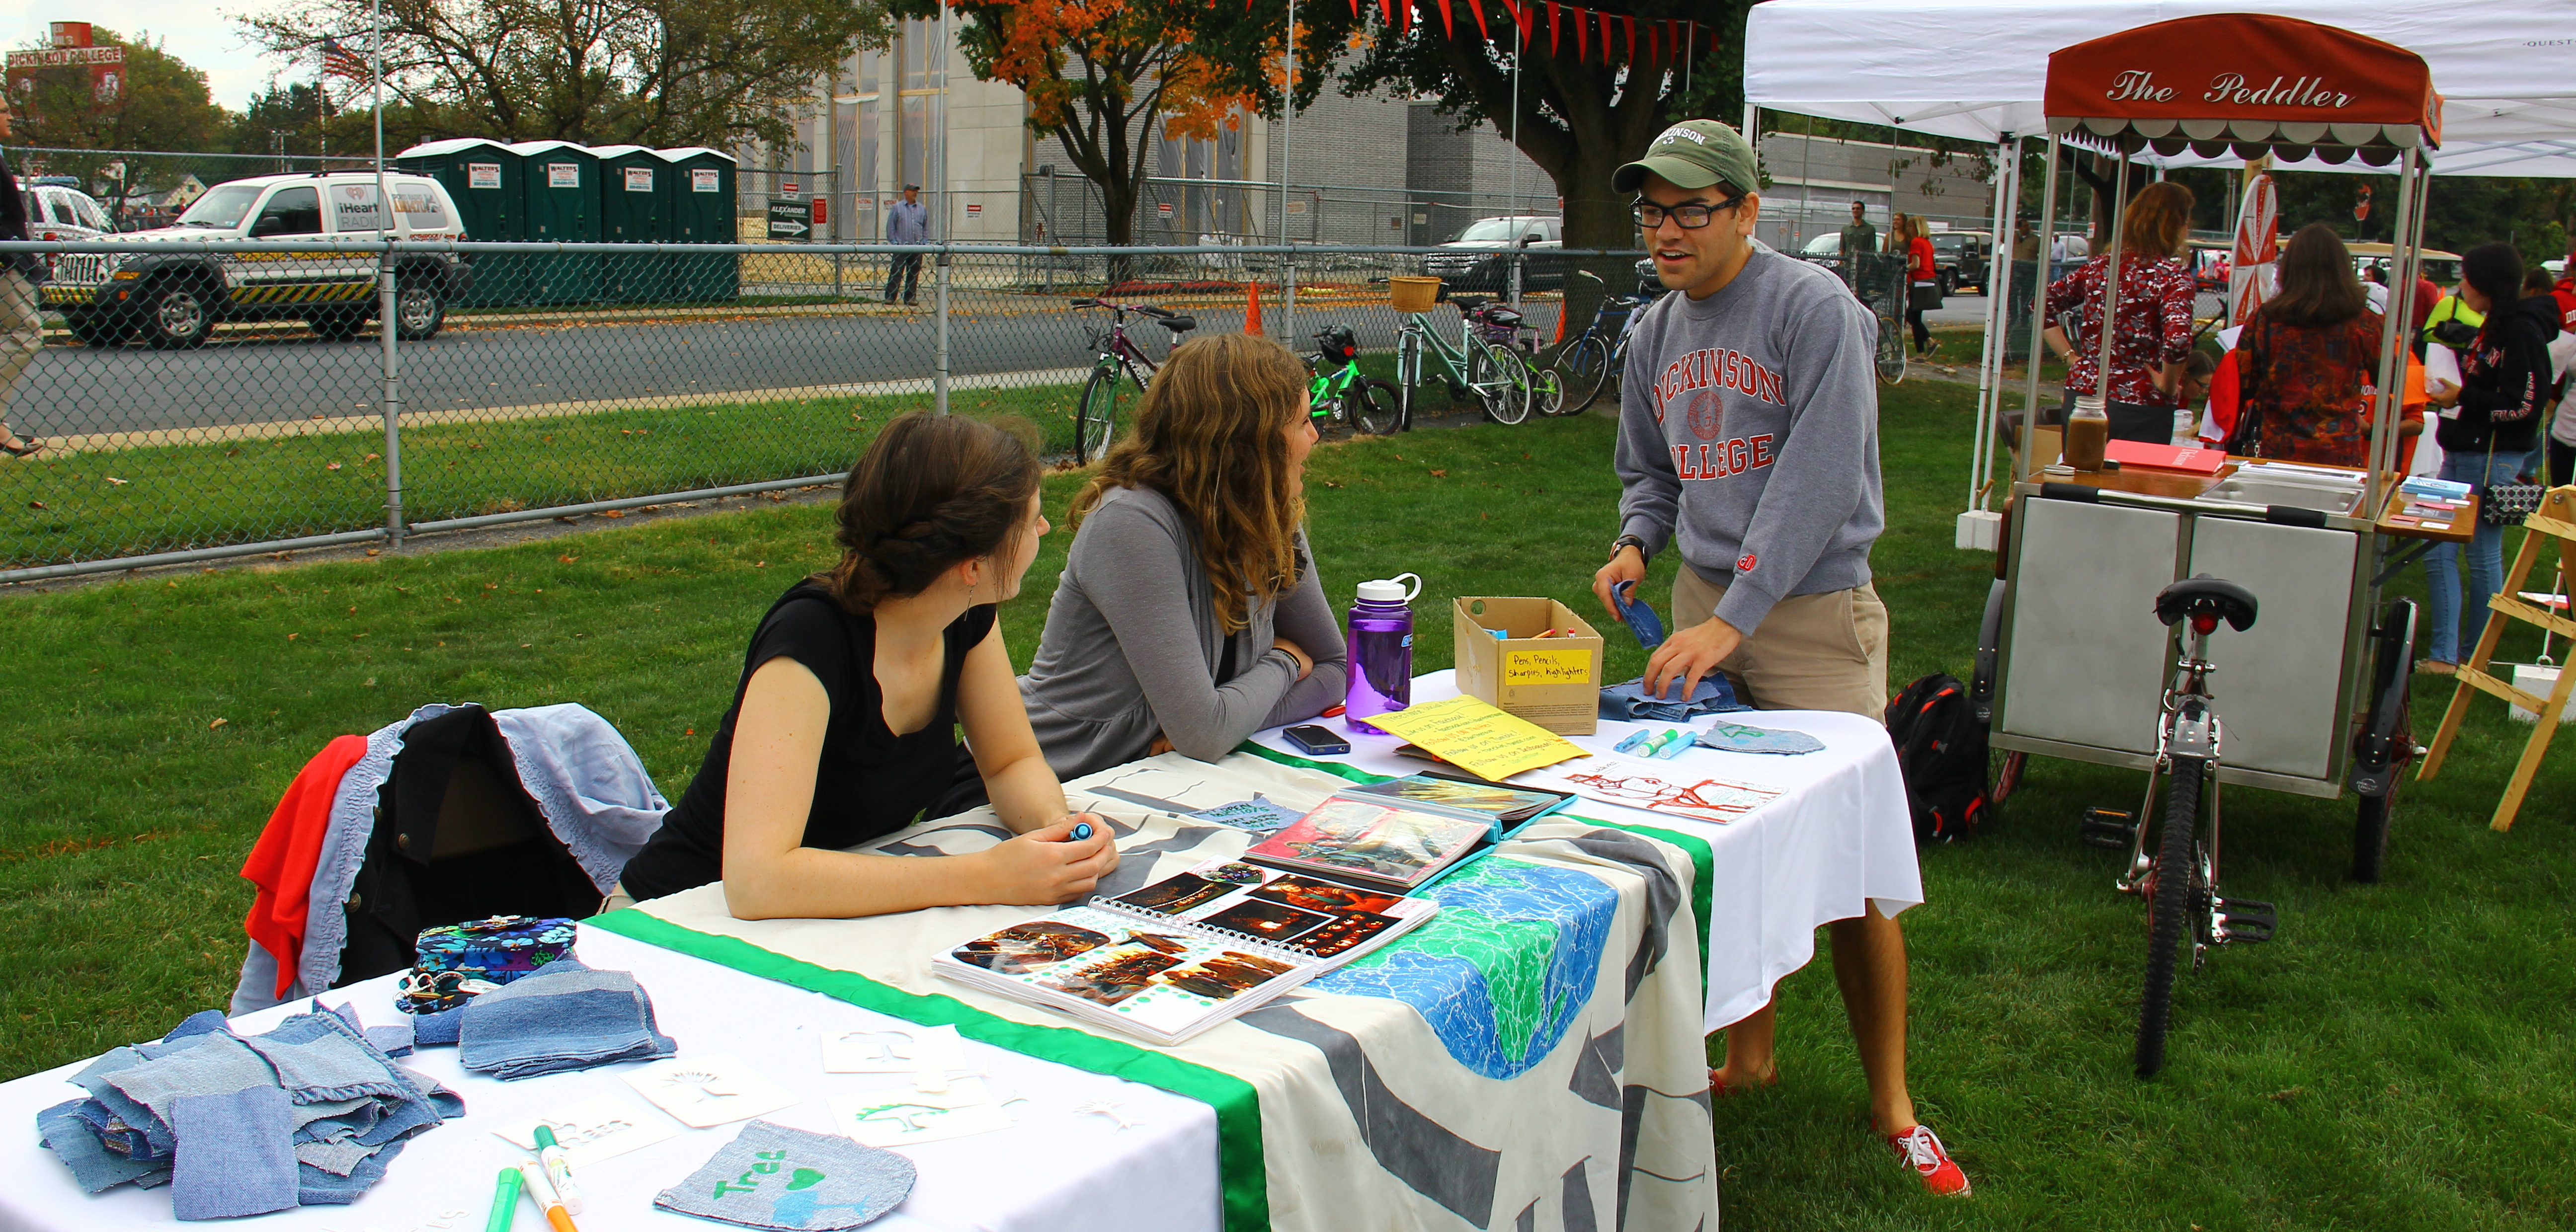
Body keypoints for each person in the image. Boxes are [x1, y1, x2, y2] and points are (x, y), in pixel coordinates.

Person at [1594, 118, 1968, 1198]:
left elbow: (1815, 480)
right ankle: (1750, 1056)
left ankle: (1893, 1101)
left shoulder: (1815, 310)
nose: (1666, 231)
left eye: (1690, 210)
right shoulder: (1653, 332)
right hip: (1707, 605)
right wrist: (1636, 543)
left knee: (1860, 878)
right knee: (1724, 838)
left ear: (1746, 212)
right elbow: (1652, 471)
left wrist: (1737, 615)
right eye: (1651, 212)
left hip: (1809, 615)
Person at [614, 412, 1117, 917]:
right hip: (672, 923)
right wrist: (987, 875)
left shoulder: (965, 614)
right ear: (972, 565)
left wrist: (1059, 835)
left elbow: (1011, 762)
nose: (1045, 528)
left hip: (815, 921)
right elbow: (757, 880)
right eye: (1032, 520)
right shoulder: (810, 640)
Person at [1014, 332, 1349, 784]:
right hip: (1041, 781)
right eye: (1302, 422)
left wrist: (1231, 723)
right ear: (1249, 441)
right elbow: (1204, 733)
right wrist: (1285, 663)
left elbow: (1336, 668)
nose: (1315, 436)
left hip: (1156, 779)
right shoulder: (1132, 523)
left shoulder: (1264, 515)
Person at [2420, 242, 2556, 673]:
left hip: (2491, 456)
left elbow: (2524, 406)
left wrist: (2467, 398)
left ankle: (2470, 656)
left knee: (2480, 555)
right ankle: (2451, 653)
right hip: (2464, 449)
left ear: (2486, 284)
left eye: (2466, 278)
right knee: (2438, 549)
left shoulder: (2521, 331)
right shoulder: (2495, 326)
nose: (2460, 287)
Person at [2042, 181, 2197, 444]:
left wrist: (2072, 358)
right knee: (2131, 483)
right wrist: (2170, 384)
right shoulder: (2172, 279)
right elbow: (2178, 340)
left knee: (2080, 478)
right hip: (2141, 401)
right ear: (2176, 226)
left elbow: (2043, 304)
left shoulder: (2101, 267)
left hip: (2085, 396)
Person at [2224, 224, 2386, 467]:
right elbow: (2387, 378)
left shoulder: (2265, 318)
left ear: (2289, 268)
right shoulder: (2365, 322)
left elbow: (2244, 382)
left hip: (2275, 451)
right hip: (2340, 451)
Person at [0, 92, 45, 459]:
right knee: (26, 332)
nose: (11, 116)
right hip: (4, 261)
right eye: (3, 110)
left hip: (11, 255)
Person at [1899, 214, 1939, 357]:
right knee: (1912, 316)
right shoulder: (1927, 243)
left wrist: (1904, 268)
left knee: (1914, 318)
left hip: (1919, 283)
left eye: (1910, 226)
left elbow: (1916, 264)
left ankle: (1921, 353)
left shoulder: (1916, 242)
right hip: (1928, 281)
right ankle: (1930, 341)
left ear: (1917, 227)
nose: (1908, 229)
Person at [884, 185, 929, 307]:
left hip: (917, 247)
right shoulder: (898, 208)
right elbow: (891, 227)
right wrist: (894, 242)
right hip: (901, 247)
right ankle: (890, 297)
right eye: (913, 191)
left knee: (913, 273)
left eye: (917, 191)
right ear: (906, 192)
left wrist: (924, 242)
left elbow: (925, 226)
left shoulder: (921, 208)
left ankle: (910, 298)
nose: (915, 193)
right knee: (896, 272)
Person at [1838, 202, 1877, 270]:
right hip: (1848, 265)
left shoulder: (1870, 229)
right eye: (1854, 209)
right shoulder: (1846, 229)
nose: (1855, 210)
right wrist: (1841, 264)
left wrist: (1869, 267)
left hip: (1862, 266)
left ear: (1863, 211)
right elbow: (1842, 249)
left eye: (1858, 209)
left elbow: (1872, 250)